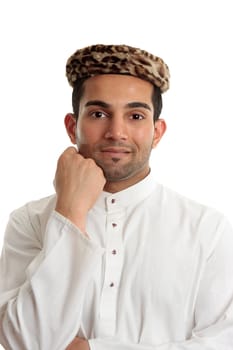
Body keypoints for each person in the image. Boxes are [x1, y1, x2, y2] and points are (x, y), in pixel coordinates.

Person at [0, 44, 233, 350]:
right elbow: (24, 340)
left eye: (135, 116)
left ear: (157, 132)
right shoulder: (30, 221)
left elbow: (222, 342)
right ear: (72, 127)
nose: (116, 132)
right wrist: (69, 213)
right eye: (98, 113)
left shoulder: (208, 230)